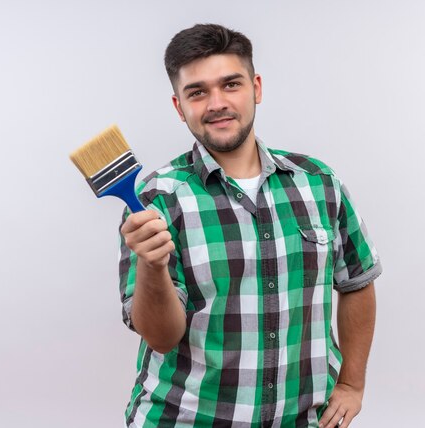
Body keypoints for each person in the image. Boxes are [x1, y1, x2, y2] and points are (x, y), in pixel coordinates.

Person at [118, 23, 382, 428]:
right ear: (179, 106)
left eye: (231, 84)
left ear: (256, 88)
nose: (217, 103)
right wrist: (152, 266)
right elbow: (161, 337)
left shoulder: (319, 183)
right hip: (186, 420)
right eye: (198, 92)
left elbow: (358, 281)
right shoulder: (156, 200)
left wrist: (351, 384)